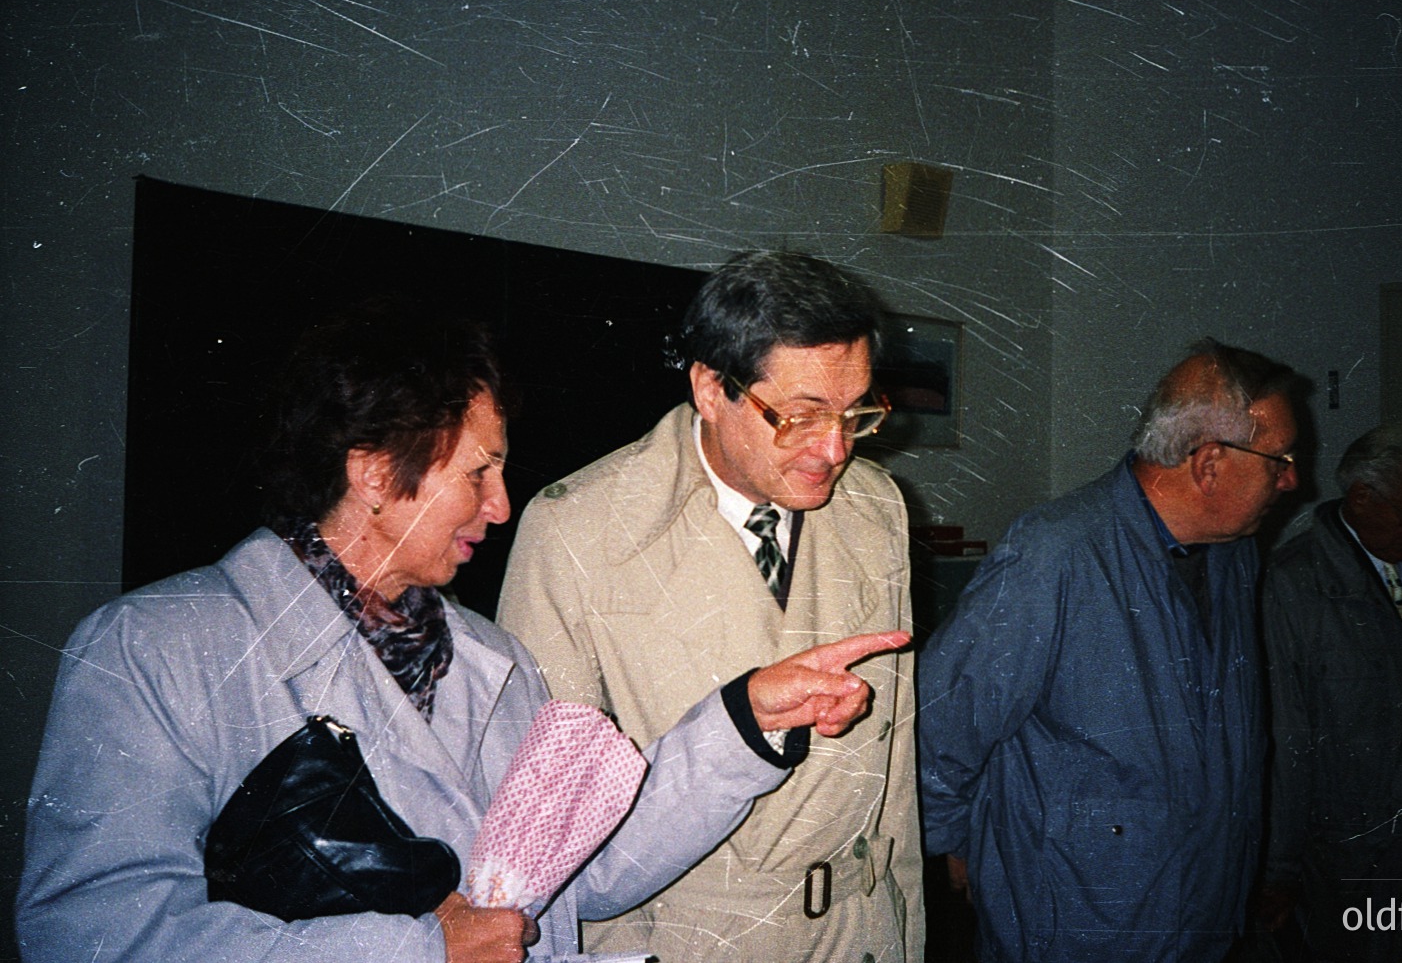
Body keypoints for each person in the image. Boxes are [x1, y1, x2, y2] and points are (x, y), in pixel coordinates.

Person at [16, 298, 906, 963]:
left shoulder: (493, 661)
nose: (503, 505)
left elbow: (578, 874)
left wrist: (745, 722)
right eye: (479, 472)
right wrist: (415, 951)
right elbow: (89, 931)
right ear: (371, 469)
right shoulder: (156, 649)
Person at [498, 251, 922, 962]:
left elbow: (895, 773)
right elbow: (541, 830)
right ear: (709, 387)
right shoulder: (577, 530)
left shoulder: (875, 509)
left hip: (859, 935)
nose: (834, 449)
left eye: (855, 415)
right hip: (692, 939)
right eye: (801, 416)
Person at [916, 339, 1301, 963]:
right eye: (1278, 458)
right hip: (1075, 934)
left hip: (1204, 920)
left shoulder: (1233, 555)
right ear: (1208, 465)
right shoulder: (1056, 556)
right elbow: (934, 733)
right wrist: (965, 854)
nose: (1292, 478)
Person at [1259, 423, 1402, 962]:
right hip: (1354, 848)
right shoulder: (1293, 584)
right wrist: (1279, 869)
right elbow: (1287, 742)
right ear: (1362, 497)